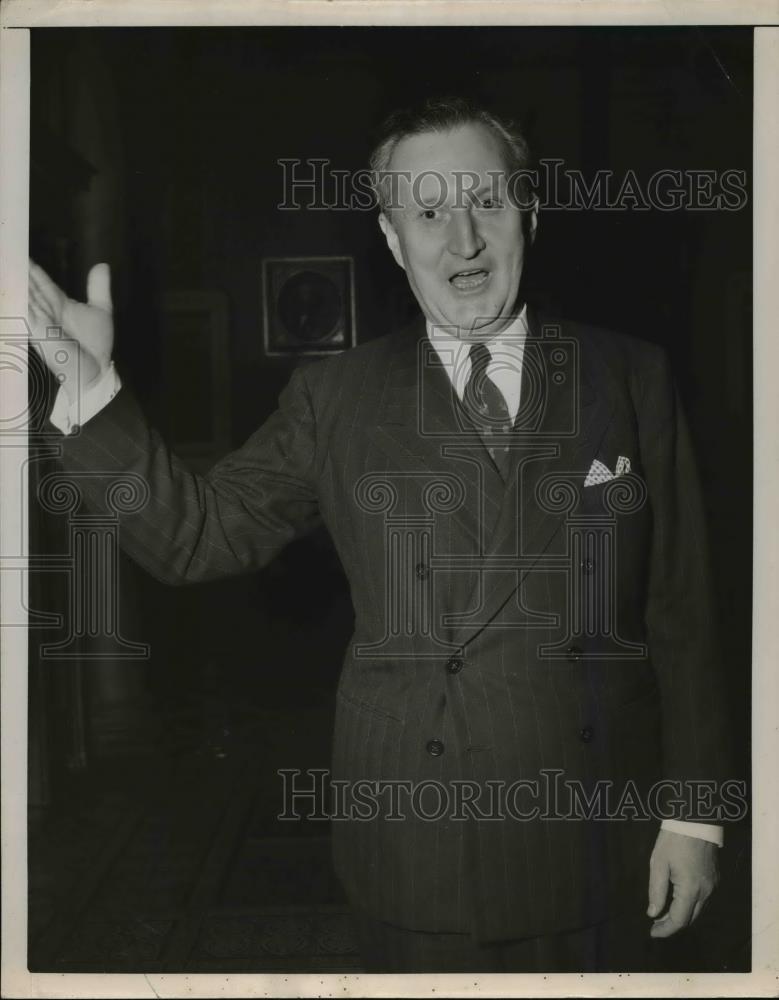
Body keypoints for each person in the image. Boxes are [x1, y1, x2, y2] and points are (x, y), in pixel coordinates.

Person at [28, 97, 732, 973]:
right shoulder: (337, 398)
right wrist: (93, 393)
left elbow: (683, 610)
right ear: (394, 241)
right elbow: (193, 536)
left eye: (487, 202)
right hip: (416, 833)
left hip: (596, 827)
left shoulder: (629, 375)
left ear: (532, 213)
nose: (462, 240)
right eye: (428, 213)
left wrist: (696, 813)